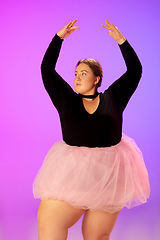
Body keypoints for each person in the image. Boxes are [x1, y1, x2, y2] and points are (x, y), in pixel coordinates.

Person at [33, 19, 150, 240]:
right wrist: (58, 39)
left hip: (109, 176)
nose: (77, 77)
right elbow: (46, 69)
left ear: (97, 79)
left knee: (95, 235)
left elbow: (135, 71)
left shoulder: (113, 98)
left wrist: (122, 42)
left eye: (83, 73)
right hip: (73, 176)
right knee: (49, 223)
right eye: (76, 73)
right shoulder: (66, 99)